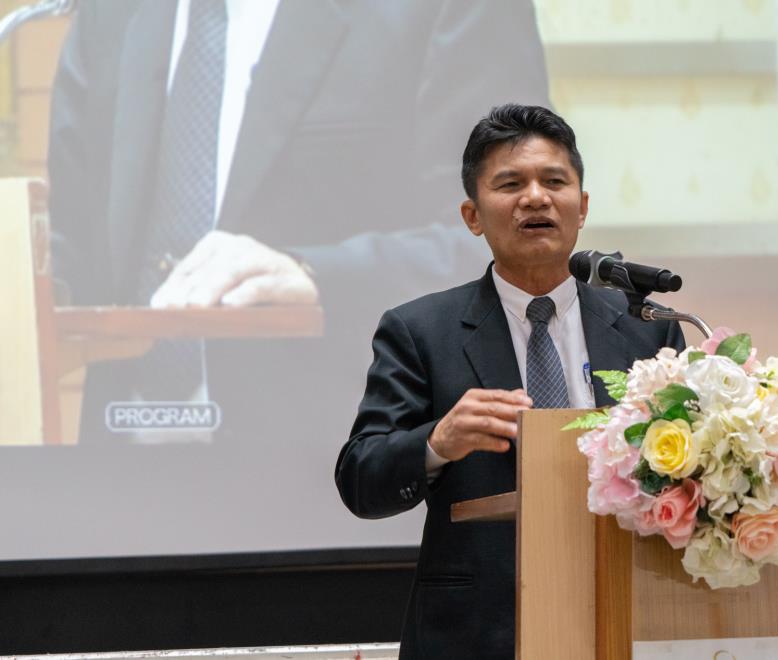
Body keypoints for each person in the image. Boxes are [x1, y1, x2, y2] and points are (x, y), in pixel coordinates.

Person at [46, 0, 549, 445]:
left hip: (342, 467)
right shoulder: (107, 13)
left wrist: (317, 276)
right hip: (119, 466)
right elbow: (72, 246)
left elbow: (513, 242)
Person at [337, 104, 686, 660]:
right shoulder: (420, 331)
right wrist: (436, 442)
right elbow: (361, 480)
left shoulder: (648, 327)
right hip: (477, 632)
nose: (535, 198)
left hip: (627, 614)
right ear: (472, 215)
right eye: (510, 184)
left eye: (554, 181)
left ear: (582, 207)